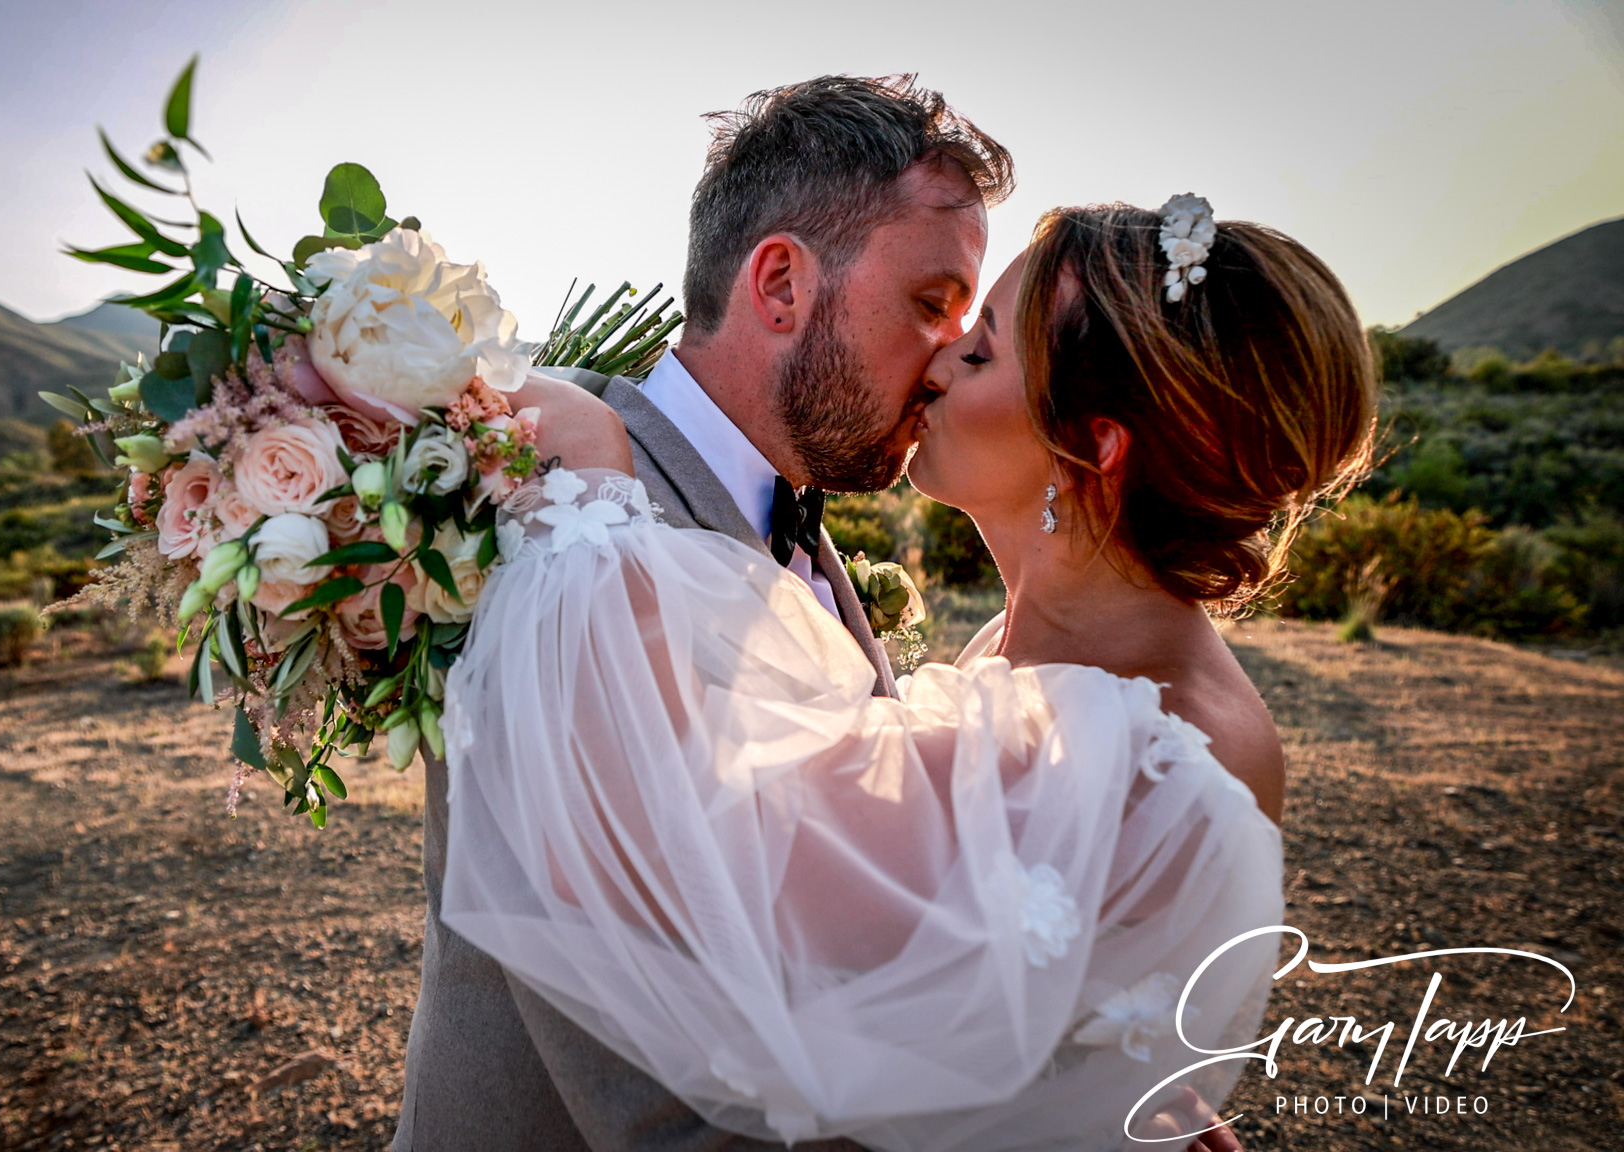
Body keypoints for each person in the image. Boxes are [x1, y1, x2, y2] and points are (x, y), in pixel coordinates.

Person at [440, 187, 1377, 1152]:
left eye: (980, 351)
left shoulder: (1152, 733)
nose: (937, 362)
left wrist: (592, 498)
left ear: (1094, 446)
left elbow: (710, 863)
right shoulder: (1023, 654)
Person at [391, 75, 1015, 1152]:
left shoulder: (785, 513)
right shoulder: (550, 501)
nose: (948, 360)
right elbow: (645, 1068)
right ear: (779, 285)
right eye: (929, 303)